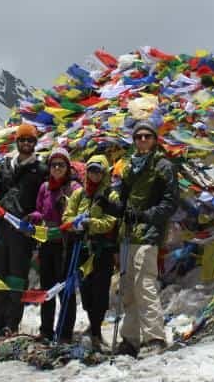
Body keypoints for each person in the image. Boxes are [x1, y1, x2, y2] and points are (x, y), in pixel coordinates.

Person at [115, 118, 178, 357]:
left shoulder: (163, 166)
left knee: (145, 286)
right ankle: (130, 339)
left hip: (149, 234)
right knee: (128, 289)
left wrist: (144, 215)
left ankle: (154, 338)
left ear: (154, 140)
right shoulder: (130, 167)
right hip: (128, 234)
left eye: (147, 136)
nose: (142, 140)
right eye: (138, 137)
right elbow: (123, 198)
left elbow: (170, 202)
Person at [0, 123, 48, 338]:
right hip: (1, 230)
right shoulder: (4, 166)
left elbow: (43, 200)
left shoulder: (40, 170)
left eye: (30, 140)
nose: (26, 144)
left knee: (17, 279)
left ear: (35, 143)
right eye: (23, 140)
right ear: (17, 142)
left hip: (22, 233)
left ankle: (12, 324)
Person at [60, 154, 119, 350]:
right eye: (92, 170)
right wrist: (74, 224)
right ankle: (92, 325)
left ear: (104, 173)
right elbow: (67, 216)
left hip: (102, 250)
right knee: (85, 290)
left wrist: (90, 223)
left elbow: (111, 222)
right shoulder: (79, 194)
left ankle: (96, 330)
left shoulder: (111, 195)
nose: (95, 175)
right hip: (82, 249)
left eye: (98, 171)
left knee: (100, 290)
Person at [27, 146, 80, 341]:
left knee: (65, 290)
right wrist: (35, 216)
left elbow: (78, 214)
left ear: (68, 167)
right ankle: (46, 330)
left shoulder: (74, 189)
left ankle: (65, 333)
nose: (57, 168)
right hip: (47, 243)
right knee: (47, 288)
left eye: (61, 165)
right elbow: (41, 211)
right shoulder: (45, 188)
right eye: (54, 165)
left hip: (66, 245)